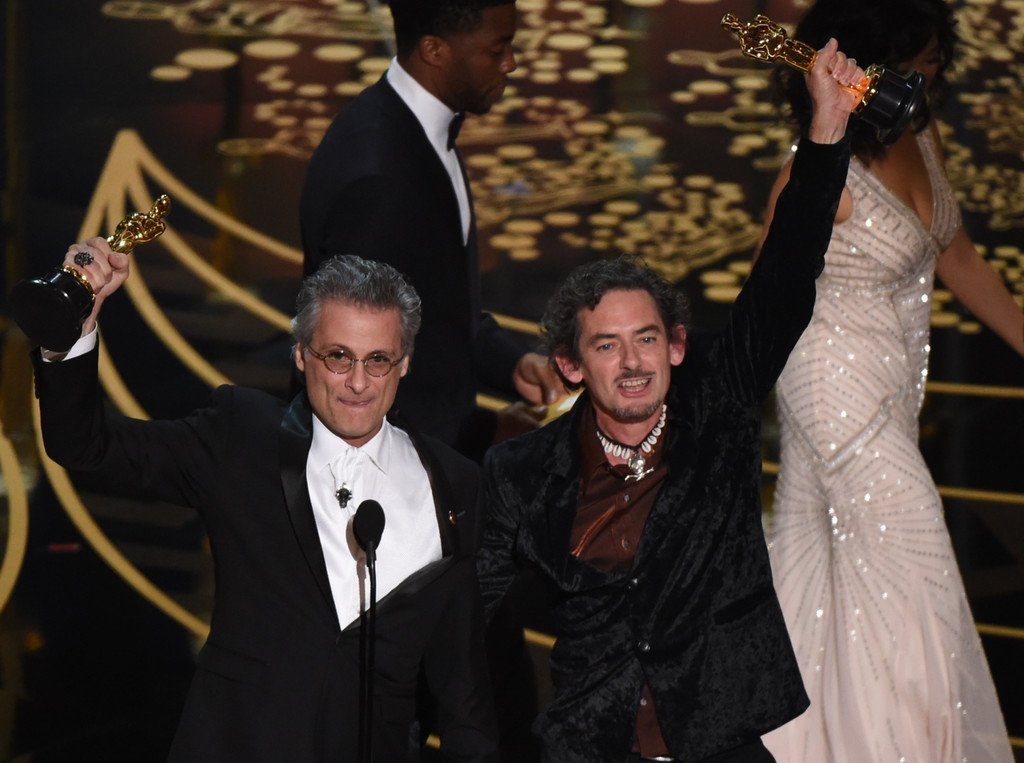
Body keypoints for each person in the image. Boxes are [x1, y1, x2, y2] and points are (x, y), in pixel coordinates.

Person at [476, 40, 864, 763]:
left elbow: (784, 278)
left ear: (677, 346)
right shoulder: (523, 472)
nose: (632, 363)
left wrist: (826, 132)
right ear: (570, 364)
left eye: (647, 339)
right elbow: (463, 620)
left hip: (719, 740)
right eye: (607, 345)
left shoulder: (719, 407)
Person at [32, 244, 499, 762]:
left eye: (378, 360)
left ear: (404, 363)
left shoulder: (454, 484)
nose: (358, 382)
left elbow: (463, 689)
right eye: (338, 356)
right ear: (301, 355)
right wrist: (72, 327)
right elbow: (86, 445)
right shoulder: (242, 437)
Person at [755, 1, 1022, 761]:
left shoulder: (921, 133)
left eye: (938, 58)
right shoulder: (815, 169)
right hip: (828, 391)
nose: (932, 73)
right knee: (916, 552)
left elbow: (959, 258)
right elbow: (763, 302)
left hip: (893, 388)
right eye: (921, 59)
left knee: (837, 582)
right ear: (873, 64)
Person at [300, 0, 562, 461]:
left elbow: (438, 310)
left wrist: (513, 363)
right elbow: (357, 376)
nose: (511, 63)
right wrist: (482, 438)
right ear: (434, 50)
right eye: (497, 48)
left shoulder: (411, 130)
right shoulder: (378, 177)